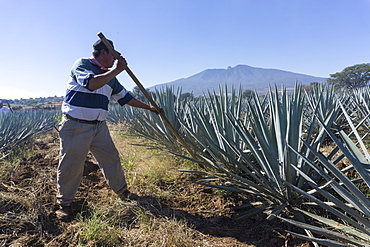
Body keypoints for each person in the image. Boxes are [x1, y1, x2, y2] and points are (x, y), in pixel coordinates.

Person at [56, 38, 162, 221]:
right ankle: (64, 204)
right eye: (113, 55)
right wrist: (117, 70)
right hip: (76, 126)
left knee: (111, 158)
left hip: (99, 127)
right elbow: (91, 84)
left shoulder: (109, 76)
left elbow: (126, 98)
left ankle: (122, 192)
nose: (115, 59)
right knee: (72, 165)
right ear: (104, 52)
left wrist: (150, 108)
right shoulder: (83, 65)